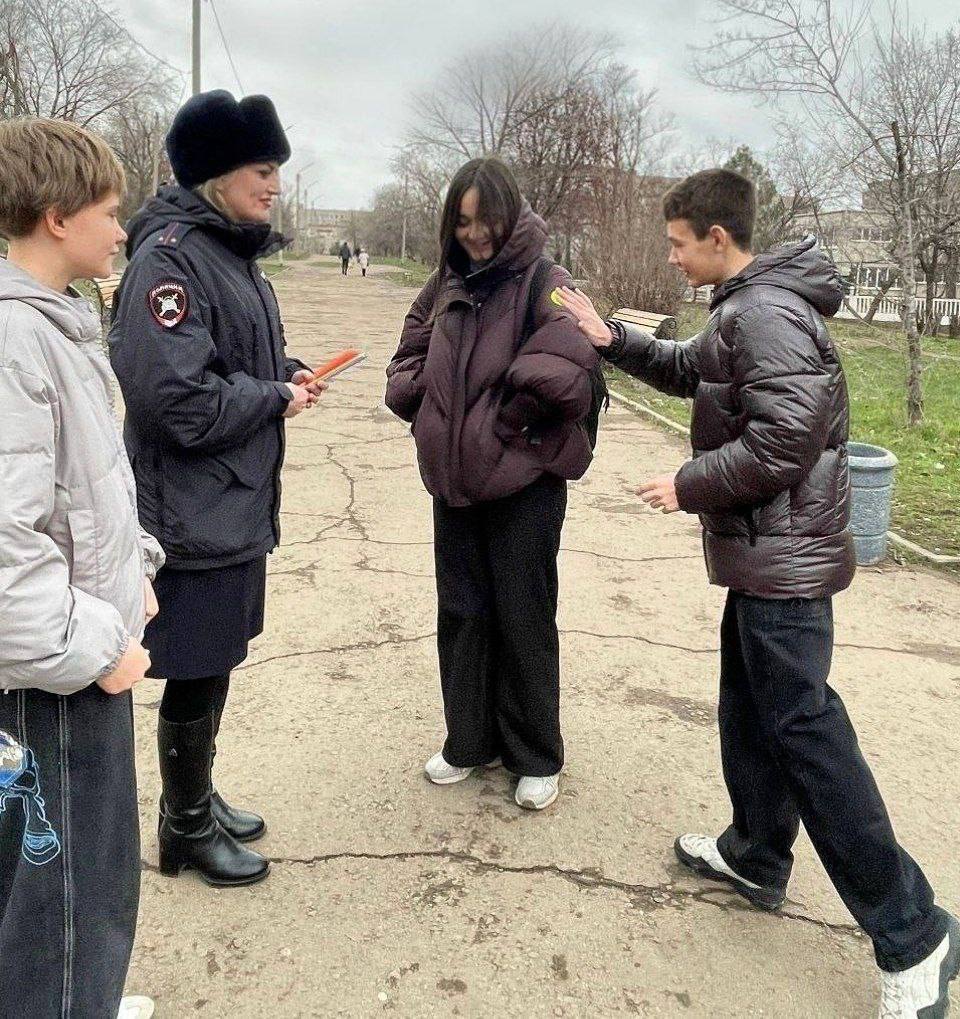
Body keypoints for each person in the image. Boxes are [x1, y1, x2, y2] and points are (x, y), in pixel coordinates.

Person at [558, 168, 959, 1017]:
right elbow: (693, 371)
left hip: (786, 561)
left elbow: (783, 442)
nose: (671, 258)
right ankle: (756, 853)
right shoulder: (743, 305)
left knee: (809, 737)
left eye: (678, 244)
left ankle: (914, 931)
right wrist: (609, 338)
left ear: (717, 237)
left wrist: (687, 483)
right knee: (750, 711)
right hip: (764, 556)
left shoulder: (768, 314)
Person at [109, 90, 324, 888]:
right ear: (217, 175)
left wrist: (287, 373)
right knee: (195, 666)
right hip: (191, 507)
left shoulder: (228, 253)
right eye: (262, 170)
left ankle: (196, 797)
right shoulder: (169, 260)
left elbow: (232, 360)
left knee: (216, 660)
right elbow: (177, 400)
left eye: (276, 170)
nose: (274, 185)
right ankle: (185, 828)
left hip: (230, 499)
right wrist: (273, 398)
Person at [0, 117, 162, 1019]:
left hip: (79, 655)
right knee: (61, 899)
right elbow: (6, 554)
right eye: (109, 210)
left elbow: (84, 489)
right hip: (51, 681)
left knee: (87, 878)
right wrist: (100, 646)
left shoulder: (58, 326)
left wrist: (133, 569)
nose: (122, 229)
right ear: (57, 217)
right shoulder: (14, 341)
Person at [385, 157, 598, 811]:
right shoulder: (444, 283)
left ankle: (535, 754)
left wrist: (501, 425)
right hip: (454, 483)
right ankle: (469, 741)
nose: (475, 234)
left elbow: (570, 368)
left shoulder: (545, 281)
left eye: (486, 220)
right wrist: (430, 406)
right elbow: (405, 359)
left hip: (522, 485)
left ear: (510, 215)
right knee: (463, 612)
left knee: (523, 614)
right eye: (463, 221)